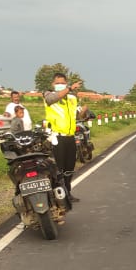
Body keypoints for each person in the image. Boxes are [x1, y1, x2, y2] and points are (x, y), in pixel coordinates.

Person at [43, 73, 81, 204]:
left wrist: (84, 112)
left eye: (62, 82)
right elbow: (52, 99)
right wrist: (69, 88)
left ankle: (67, 193)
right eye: (57, 82)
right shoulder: (48, 95)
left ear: (66, 83)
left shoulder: (72, 98)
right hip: (57, 137)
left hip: (70, 137)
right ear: (53, 84)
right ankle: (57, 196)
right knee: (58, 169)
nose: (60, 85)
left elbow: (75, 115)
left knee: (69, 168)